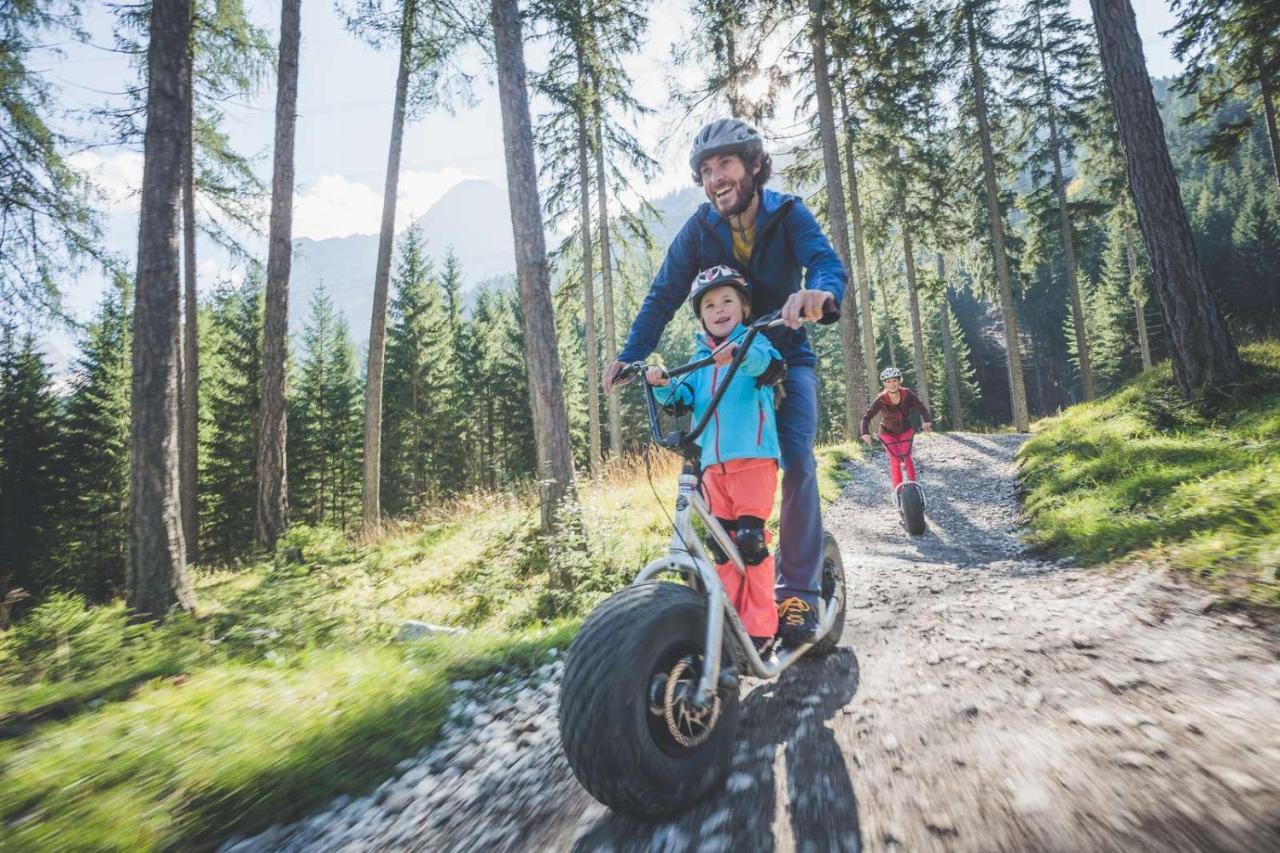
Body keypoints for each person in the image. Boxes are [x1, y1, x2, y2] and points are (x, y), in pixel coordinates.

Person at [603, 118, 846, 647]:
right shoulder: (699, 230)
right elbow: (664, 294)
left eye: (726, 165)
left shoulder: (788, 214)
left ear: (755, 166)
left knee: (798, 460)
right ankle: (714, 592)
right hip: (721, 374)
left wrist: (819, 294)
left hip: (784, 359)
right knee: (703, 466)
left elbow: (824, 262)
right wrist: (630, 356)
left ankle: (797, 591)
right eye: (705, 171)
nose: (715, 179)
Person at [647, 266, 782, 651]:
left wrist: (738, 353)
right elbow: (680, 398)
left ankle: (760, 628)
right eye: (709, 305)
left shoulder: (753, 343)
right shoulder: (699, 359)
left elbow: (770, 367)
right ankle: (727, 624)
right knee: (722, 547)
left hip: (754, 460)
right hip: (713, 468)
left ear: (742, 307)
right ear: (701, 315)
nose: (719, 310)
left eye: (727, 301)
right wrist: (660, 385)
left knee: (751, 543)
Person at [859, 367, 933, 490]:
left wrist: (927, 421)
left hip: (906, 430)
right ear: (884, 384)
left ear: (900, 381)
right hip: (887, 432)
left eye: (894, 380)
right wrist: (865, 433)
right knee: (895, 460)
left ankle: (914, 488)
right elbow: (867, 417)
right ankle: (899, 490)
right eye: (888, 381)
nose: (892, 384)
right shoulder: (881, 399)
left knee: (907, 457)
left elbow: (921, 407)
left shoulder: (907, 394)